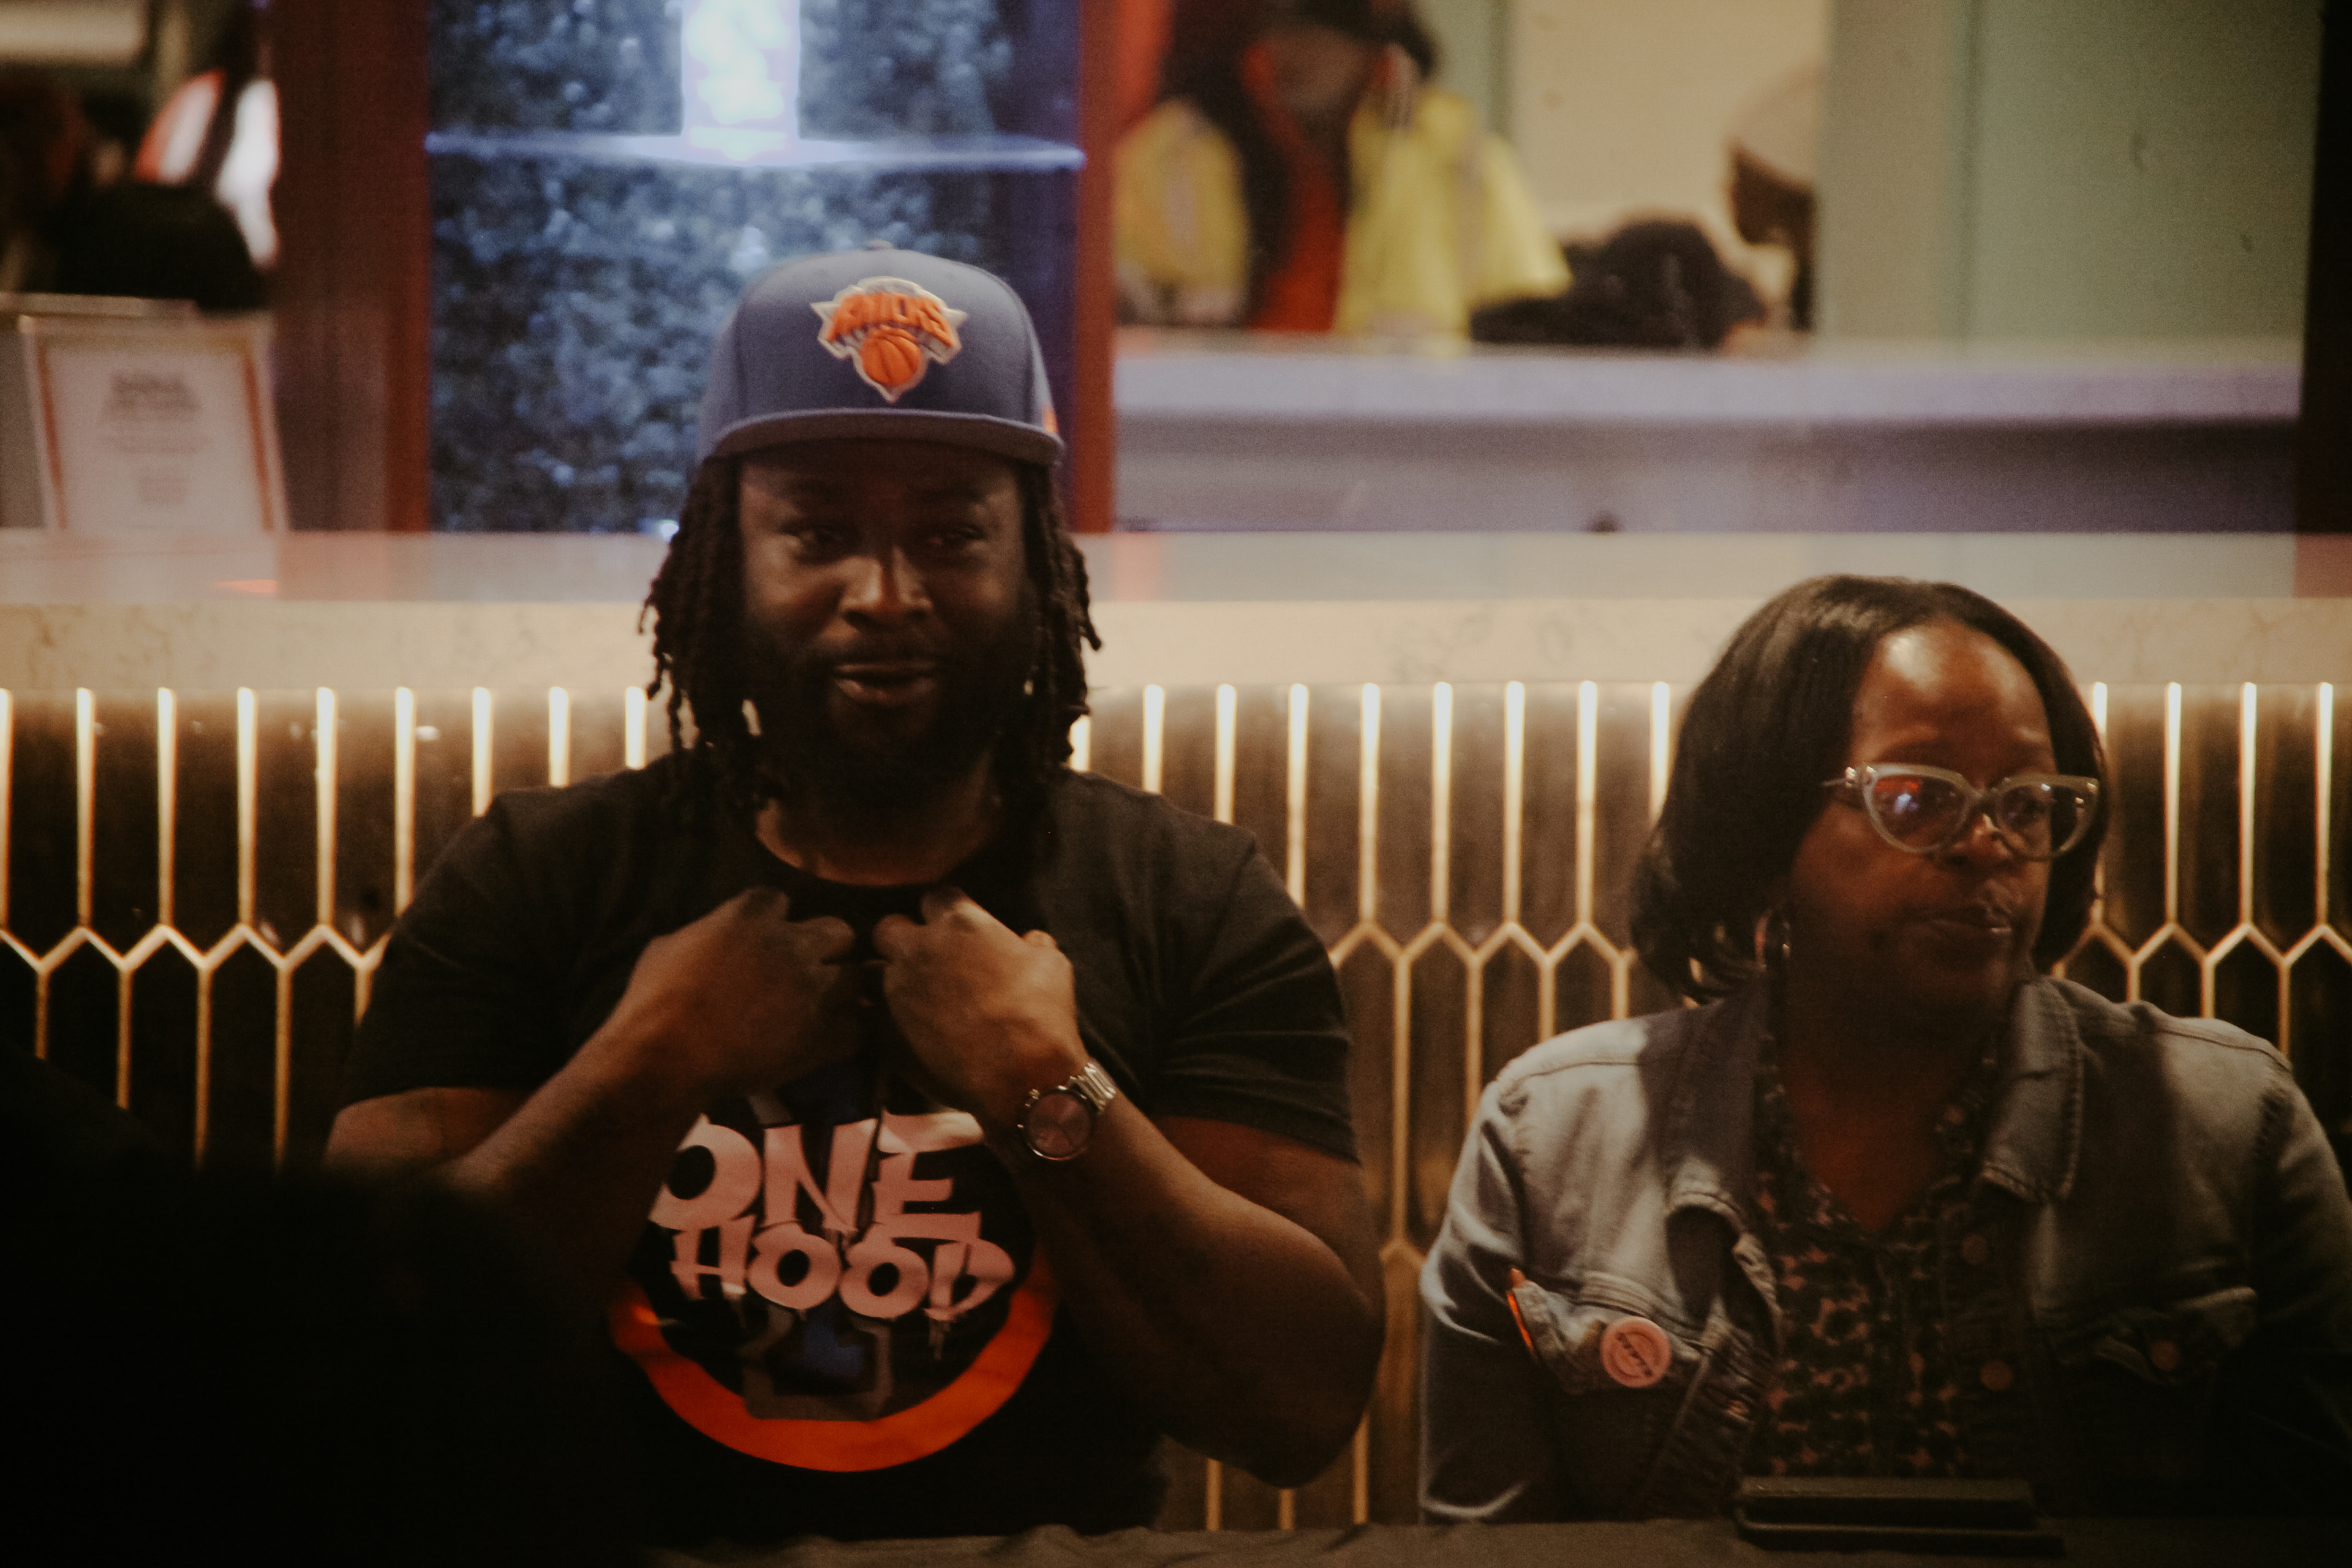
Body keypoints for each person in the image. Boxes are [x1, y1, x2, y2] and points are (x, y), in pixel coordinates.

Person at [325, 248, 1384, 1545]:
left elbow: (1301, 1409)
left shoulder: (1189, 900)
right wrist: (650, 1065)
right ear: (725, 554)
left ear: (1036, 558)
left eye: (950, 534)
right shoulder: (535, 877)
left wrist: (1046, 1090)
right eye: (818, 534)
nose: (885, 595)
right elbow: (354, 1372)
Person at [1421, 576, 2352, 1521]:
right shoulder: (1553, 1142)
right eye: (1916, 798)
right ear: (1766, 836)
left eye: (2027, 803)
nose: (1988, 845)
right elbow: (1485, 1550)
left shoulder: (2230, 1129)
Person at [1115, 0, 1567, 336]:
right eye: (1282, 20)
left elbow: (1537, 328)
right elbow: (1112, 306)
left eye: (1325, 21)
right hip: (1213, 426)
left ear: (1372, 37)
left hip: (1409, 426)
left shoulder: (1459, 155)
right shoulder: (1171, 151)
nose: (1299, 46)